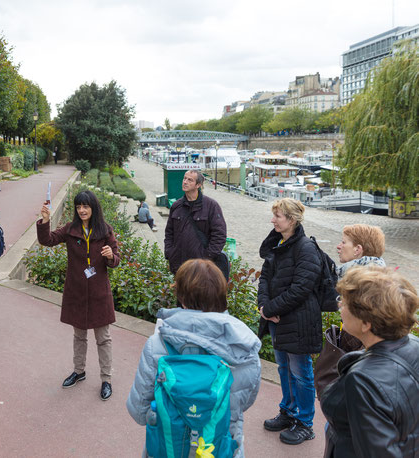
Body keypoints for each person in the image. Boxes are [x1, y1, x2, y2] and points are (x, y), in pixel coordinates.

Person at [126, 259, 261, 457]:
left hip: (168, 447)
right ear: (221, 294)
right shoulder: (244, 349)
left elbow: (138, 411)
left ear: (182, 296)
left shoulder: (157, 345)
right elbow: (245, 401)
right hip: (218, 447)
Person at [320, 266, 419, 457]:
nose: (340, 306)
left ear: (366, 324)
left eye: (345, 303)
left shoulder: (363, 379)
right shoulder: (414, 345)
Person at [37, 190, 120, 401]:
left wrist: (111, 256)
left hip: (99, 292)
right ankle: (79, 371)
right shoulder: (70, 229)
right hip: (76, 292)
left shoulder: (105, 230)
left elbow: (116, 259)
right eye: (78, 207)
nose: (82, 210)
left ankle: (106, 379)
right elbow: (47, 240)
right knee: (79, 336)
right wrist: (45, 221)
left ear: (93, 208)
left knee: (103, 338)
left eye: (86, 206)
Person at [257, 197, 322, 445]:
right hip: (277, 318)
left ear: (292, 220)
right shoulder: (278, 243)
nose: (273, 220)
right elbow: (265, 277)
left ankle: (305, 423)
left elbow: (301, 288)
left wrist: (270, 308)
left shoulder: (306, 248)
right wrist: (264, 307)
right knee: (284, 368)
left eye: (278, 216)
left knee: (301, 372)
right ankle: (289, 411)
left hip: (297, 321)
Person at [164, 170, 226, 275]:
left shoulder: (211, 206)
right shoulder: (176, 206)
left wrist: (206, 259)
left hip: (201, 269)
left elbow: (219, 235)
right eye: (184, 178)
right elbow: (169, 233)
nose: (185, 182)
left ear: (198, 185)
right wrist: (170, 253)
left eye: (190, 180)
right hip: (178, 266)